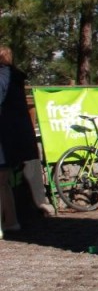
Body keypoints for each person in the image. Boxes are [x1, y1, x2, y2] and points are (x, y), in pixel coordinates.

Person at [0, 45, 56, 238]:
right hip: (15, 138)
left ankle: (10, 221)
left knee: (2, 182)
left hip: (4, 138)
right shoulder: (15, 78)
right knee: (4, 183)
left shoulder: (3, 76)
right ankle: (11, 221)